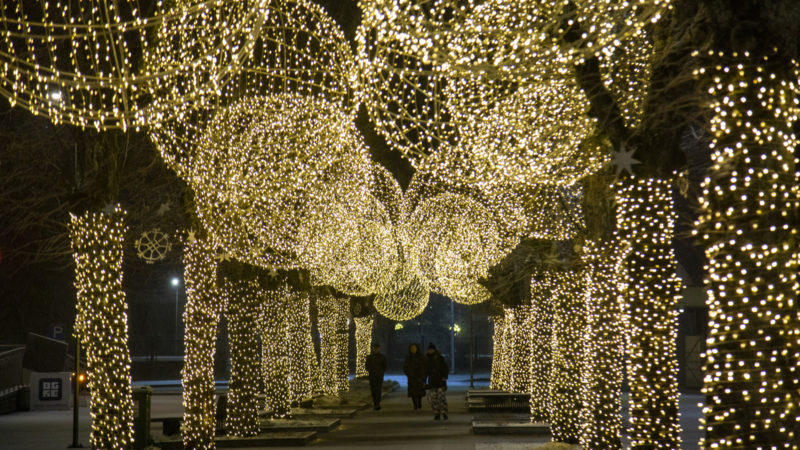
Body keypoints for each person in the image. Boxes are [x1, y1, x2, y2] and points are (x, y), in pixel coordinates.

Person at [425, 343, 449, 420]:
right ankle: (437, 413)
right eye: (429, 349)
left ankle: (444, 412)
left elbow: (445, 368)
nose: (430, 351)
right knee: (433, 399)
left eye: (431, 349)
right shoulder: (427, 359)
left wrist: (444, 377)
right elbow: (425, 371)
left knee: (441, 398)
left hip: (440, 381)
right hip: (432, 382)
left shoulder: (440, 358)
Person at [403, 343, 426, 410]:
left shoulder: (421, 357)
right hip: (411, 377)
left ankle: (419, 402)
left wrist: (423, 374)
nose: (413, 350)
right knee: (412, 392)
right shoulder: (408, 358)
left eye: (414, 348)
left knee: (419, 391)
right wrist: (408, 373)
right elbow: (405, 367)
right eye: (412, 348)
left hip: (420, 377)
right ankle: (415, 404)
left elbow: (424, 366)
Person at [365, 343, 387, 410]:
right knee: (374, 390)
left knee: (378, 390)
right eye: (375, 348)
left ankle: (377, 403)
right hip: (372, 376)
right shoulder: (369, 357)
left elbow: (384, 366)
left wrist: (381, 372)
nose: (376, 349)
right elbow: (367, 366)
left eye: (377, 348)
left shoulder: (382, 357)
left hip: (379, 376)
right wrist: (371, 371)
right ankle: (375, 403)